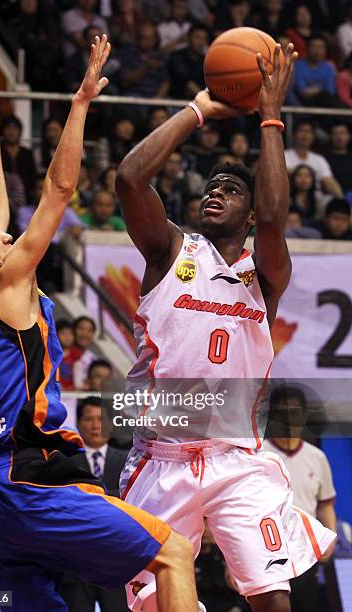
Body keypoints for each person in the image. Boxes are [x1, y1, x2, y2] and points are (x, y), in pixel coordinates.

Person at [0, 38, 198, 612]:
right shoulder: (8, 281)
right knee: (174, 553)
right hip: (31, 481)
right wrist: (80, 103)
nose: (3, 231)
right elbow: (58, 190)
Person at [115, 42, 336, 612]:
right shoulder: (170, 251)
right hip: (163, 455)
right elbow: (131, 180)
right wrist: (198, 111)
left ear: (248, 208)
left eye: (230, 189)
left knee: (272, 598)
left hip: (238, 457)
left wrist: (269, 116)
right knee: (159, 603)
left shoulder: (265, 272)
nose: (216, 192)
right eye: (211, 187)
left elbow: (273, 216)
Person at [263, 385, 337, 612]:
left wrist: (330, 537)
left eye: (293, 412)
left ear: (304, 415)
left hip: (305, 555)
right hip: (266, 553)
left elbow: (325, 505)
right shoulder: (257, 457)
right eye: (280, 412)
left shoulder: (317, 457)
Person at [59, 396, 130, 612]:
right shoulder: (63, 461)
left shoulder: (129, 458)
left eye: (101, 419)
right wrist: (110, 499)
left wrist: (90, 498)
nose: (96, 425)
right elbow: (63, 502)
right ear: (78, 424)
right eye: (89, 419)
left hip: (118, 558)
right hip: (75, 560)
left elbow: (133, 498)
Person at [284, 120, 343, 204]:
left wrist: (342, 200)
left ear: (313, 136)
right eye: (301, 131)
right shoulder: (283, 155)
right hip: (288, 198)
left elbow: (329, 181)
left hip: (315, 201)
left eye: (309, 131)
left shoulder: (319, 159)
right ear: (293, 134)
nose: (305, 135)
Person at [0, 114, 37, 202]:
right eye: (8, 128)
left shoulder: (27, 153)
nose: (11, 131)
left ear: (20, 131)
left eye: (15, 128)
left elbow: (32, 176)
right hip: (2, 192)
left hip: (25, 196)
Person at [168, 24, 208, 99]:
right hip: (176, 101)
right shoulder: (177, 57)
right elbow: (188, 83)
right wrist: (206, 101)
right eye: (197, 37)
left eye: (204, 39)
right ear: (188, 38)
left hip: (199, 102)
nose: (200, 42)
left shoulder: (206, 60)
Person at [325, 122, 352, 196]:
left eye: (342, 133)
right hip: (331, 197)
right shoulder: (323, 159)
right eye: (335, 134)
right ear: (330, 137)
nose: (339, 137)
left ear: (349, 136)